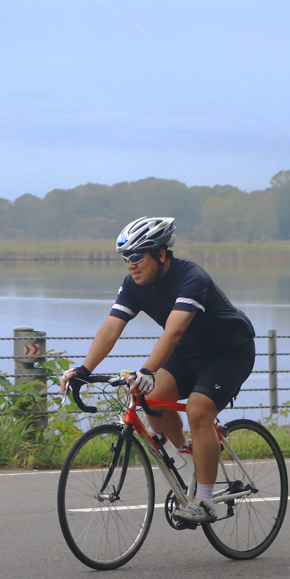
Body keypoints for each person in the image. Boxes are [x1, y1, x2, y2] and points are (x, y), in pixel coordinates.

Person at [60, 216, 256, 523]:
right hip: (188, 352)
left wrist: (147, 370)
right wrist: (84, 369)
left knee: (198, 409)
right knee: (151, 398)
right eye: (126, 258)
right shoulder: (134, 285)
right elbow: (111, 327)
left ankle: (205, 502)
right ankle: (189, 458)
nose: (131, 265)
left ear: (161, 254)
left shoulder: (192, 278)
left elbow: (173, 331)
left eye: (137, 256)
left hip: (228, 353)